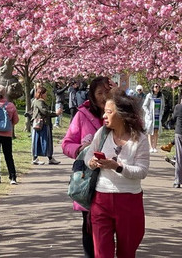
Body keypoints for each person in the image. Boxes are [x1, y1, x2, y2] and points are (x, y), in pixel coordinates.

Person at [86, 90, 150, 258]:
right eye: (104, 111)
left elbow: (142, 171)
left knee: (127, 253)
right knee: (101, 253)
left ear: (121, 115)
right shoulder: (102, 133)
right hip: (101, 199)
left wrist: (117, 166)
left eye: (109, 112)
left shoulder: (140, 139)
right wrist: (92, 162)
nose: (104, 116)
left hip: (129, 201)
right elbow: (88, 155)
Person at [62, 75, 114, 258]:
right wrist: (80, 149)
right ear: (91, 95)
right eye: (99, 93)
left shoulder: (120, 116)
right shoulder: (82, 115)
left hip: (114, 179)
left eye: (107, 92)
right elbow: (67, 143)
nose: (104, 97)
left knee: (111, 227)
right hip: (89, 180)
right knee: (89, 225)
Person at [31, 84, 59, 165]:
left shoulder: (36, 101)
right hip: (42, 124)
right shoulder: (39, 101)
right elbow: (44, 111)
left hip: (41, 124)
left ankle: (49, 157)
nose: (46, 95)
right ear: (41, 94)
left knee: (43, 141)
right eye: (45, 93)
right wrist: (55, 113)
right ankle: (36, 158)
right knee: (43, 141)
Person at [142, 82, 165, 152]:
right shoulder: (149, 96)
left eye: (158, 87)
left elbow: (163, 106)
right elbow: (144, 105)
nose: (157, 88)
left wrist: (162, 113)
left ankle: (155, 146)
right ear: (153, 88)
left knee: (156, 131)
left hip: (158, 116)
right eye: (155, 86)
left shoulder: (161, 96)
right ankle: (150, 147)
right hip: (151, 116)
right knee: (150, 131)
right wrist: (148, 113)